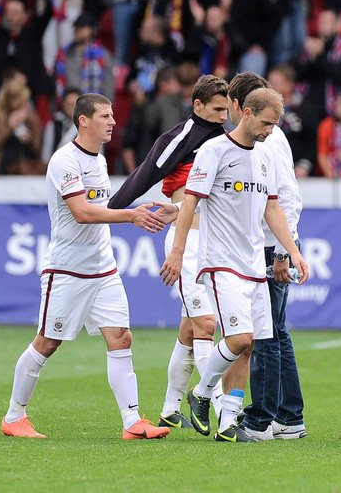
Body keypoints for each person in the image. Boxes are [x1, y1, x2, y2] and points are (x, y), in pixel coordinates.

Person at [0, 93, 173, 440]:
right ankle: (14, 416)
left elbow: (99, 208)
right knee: (48, 342)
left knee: (121, 337)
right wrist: (131, 215)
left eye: (112, 116)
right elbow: (82, 212)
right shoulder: (65, 160)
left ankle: (132, 422)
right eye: (105, 116)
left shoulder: (99, 159)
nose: (112, 122)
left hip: (103, 268)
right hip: (67, 269)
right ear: (84, 121)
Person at [161, 87, 308, 442]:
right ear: (246, 112)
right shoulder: (213, 151)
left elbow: (273, 208)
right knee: (238, 337)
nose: (270, 131)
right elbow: (191, 203)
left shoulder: (265, 156)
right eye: (266, 123)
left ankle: (227, 422)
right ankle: (202, 392)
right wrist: (178, 252)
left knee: (250, 343)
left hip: (254, 263)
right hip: (221, 262)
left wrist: (293, 251)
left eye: (275, 125)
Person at [108, 75, 230, 430]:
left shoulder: (227, 142)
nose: (224, 116)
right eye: (217, 109)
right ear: (197, 105)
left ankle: (170, 407)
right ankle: (223, 413)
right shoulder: (179, 138)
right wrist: (111, 214)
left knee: (191, 330)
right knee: (207, 325)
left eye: (227, 109)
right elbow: (144, 174)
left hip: (216, 244)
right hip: (187, 244)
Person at [222, 72, 309, 442]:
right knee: (277, 331)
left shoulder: (264, 140)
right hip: (278, 244)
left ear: (241, 107)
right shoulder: (272, 135)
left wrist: (279, 254)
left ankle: (260, 421)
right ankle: (290, 418)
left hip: (272, 247)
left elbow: (283, 200)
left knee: (266, 334)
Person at [297, 10, 341, 138]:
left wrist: (320, 56)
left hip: (334, 109)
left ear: (338, 25)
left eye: (327, 21)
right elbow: (299, 75)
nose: (322, 24)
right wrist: (310, 58)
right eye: (320, 21)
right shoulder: (309, 47)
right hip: (309, 107)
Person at [0, 80, 44, 176]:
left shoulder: (31, 118)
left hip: (24, 170)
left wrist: (29, 138)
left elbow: (37, 150)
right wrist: (9, 127)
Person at [54, 14, 115, 101]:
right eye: (76, 27)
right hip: (70, 106)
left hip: (94, 106)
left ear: (92, 30)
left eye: (82, 27)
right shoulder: (64, 54)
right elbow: (57, 83)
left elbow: (109, 84)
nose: (78, 30)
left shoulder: (103, 55)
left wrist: (106, 107)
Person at [42, 88, 81, 162]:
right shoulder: (53, 124)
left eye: (73, 104)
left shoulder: (88, 127)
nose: (71, 108)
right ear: (63, 104)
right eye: (68, 104)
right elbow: (46, 156)